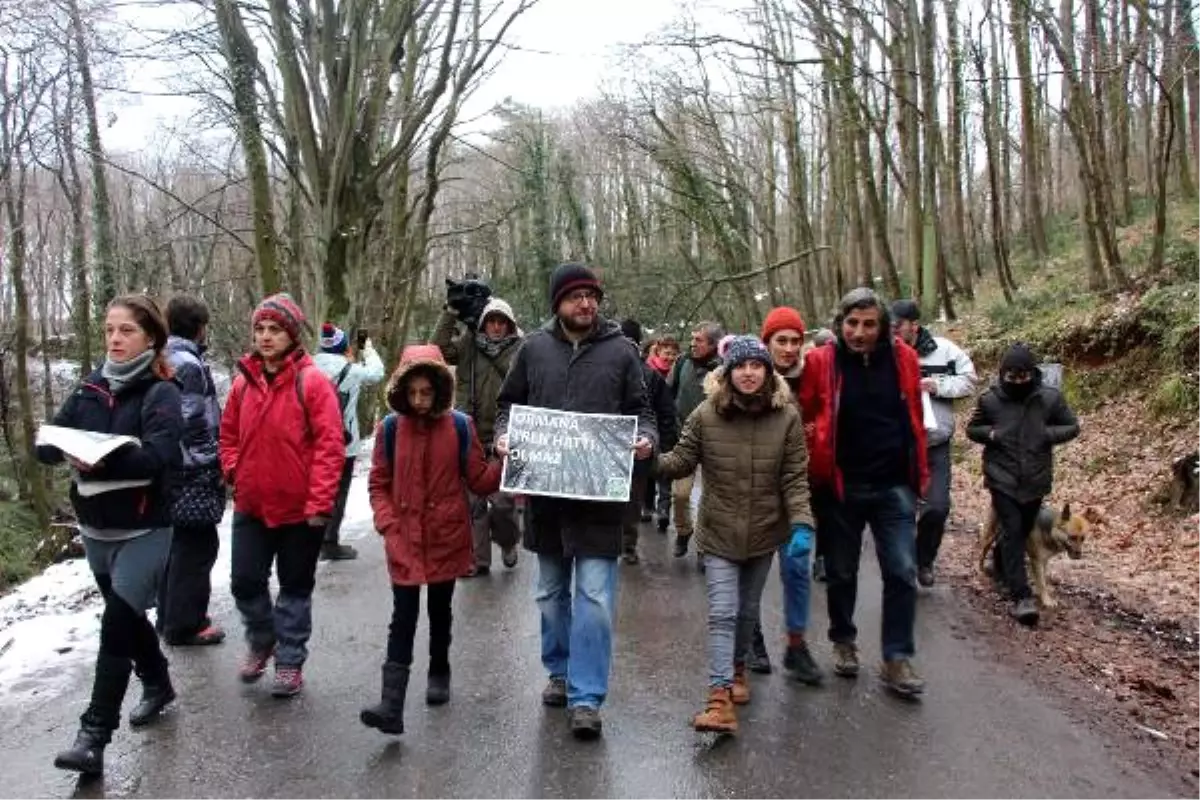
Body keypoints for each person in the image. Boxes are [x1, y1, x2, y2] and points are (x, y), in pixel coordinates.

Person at [494, 262, 657, 740]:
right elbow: (508, 406)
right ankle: (560, 671)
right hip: (546, 500)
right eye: (575, 296)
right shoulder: (533, 350)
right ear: (557, 303)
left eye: (591, 296)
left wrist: (645, 439)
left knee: (594, 598)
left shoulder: (622, 352)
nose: (585, 303)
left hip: (600, 502)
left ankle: (587, 697)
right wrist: (504, 436)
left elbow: (643, 412)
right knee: (548, 594)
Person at [38, 295, 184, 775]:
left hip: (145, 529)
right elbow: (49, 441)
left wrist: (104, 456)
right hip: (96, 530)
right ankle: (158, 681)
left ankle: (93, 737)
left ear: (151, 338)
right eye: (109, 330)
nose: (116, 339)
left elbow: (161, 457)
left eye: (126, 331)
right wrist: (59, 447)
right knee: (127, 621)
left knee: (115, 624)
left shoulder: (161, 392)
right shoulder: (88, 390)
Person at [657, 336, 815, 734]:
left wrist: (802, 523)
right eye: (740, 367)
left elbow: (795, 477)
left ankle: (738, 669)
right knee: (723, 613)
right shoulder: (706, 414)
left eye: (756, 366)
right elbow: (679, 462)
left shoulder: (787, 417)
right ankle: (718, 698)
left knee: (746, 613)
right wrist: (643, 459)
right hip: (719, 531)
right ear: (727, 372)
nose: (748, 373)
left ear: (767, 371)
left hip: (764, 532)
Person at [360, 345, 502, 735]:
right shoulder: (390, 429)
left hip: (446, 535)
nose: (420, 401)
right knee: (402, 617)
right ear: (402, 391)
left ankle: (439, 669)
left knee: (440, 611)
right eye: (413, 393)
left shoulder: (459, 426)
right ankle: (392, 704)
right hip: (404, 536)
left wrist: (505, 459)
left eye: (427, 392)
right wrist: (388, 526)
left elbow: (478, 479)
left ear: (439, 389)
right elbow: (378, 484)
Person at [799, 288, 929, 699]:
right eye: (852, 323)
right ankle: (843, 639)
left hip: (894, 483)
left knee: (902, 570)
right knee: (841, 571)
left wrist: (918, 471)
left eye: (869, 324)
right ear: (840, 323)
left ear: (883, 326)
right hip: (841, 483)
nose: (859, 332)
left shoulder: (904, 359)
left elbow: (912, 414)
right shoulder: (822, 361)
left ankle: (896, 657)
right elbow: (804, 412)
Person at [219, 293, 346, 697]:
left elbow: (330, 447)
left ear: (291, 334)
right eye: (260, 329)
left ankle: (290, 660)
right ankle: (262, 639)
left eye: (274, 329)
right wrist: (235, 471)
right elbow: (227, 437)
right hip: (252, 505)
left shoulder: (312, 383)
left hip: (299, 511)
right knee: (244, 582)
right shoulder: (242, 383)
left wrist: (319, 504)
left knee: (294, 588)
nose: (266, 337)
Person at [966, 343, 1080, 626]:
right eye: (1011, 377)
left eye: (1023, 376)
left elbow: (1072, 426)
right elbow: (973, 428)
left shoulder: (1049, 398)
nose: (1017, 382)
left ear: (1033, 373)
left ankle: (1002, 567)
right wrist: (991, 434)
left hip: (1035, 478)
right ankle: (1022, 596)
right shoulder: (990, 400)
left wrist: (1046, 434)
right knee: (1014, 529)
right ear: (1003, 374)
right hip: (1001, 476)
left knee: (1021, 528)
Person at [755, 306, 823, 685]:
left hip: (798, 490)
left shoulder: (812, 377)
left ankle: (796, 645)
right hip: (755, 493)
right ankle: (750, 637)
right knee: (752, 572)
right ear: (767, 343)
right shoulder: (749, 375)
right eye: (782, 340)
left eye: (796, 340)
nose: (790, 348)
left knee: (797, 568)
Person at [434, 295, 524, 576]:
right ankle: (478, 560)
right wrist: (451, 312)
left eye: (502, 322)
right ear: (483, 323)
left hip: (505, 437)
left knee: (502, 504)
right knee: (473, 504)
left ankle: (508, 542)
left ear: (510, 325)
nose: (496, 327)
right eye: (491, 321)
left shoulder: (522, 350)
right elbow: (438, 347)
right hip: (469, 433)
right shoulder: (469, 344)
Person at [891, 300, 978, 587]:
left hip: (935, 444)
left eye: (897, 326)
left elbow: (969, 380)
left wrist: (937, 385)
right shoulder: (884, 354)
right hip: (898, 446)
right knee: (899, 510)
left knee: (937, 508)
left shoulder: (944, 349)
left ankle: (924, 559)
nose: (892, 331)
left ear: (913, 326)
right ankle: (902, 566)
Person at [158, 295, 226, 647]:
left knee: (179, 544)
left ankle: (169, 616)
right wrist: (211, 459)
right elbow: (192, 418)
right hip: (191, 469)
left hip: (172, 467)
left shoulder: (163, 355)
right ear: (200, 327)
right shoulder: (188, 364)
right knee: (197, 546)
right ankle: (186, 624)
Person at [313, 322, 385, 561]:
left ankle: (310, 539)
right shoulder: (351, 370)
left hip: (312, 441)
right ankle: (329, 542)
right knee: (339, 491)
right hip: (344, 442)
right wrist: (367, 348)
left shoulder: (307, 368)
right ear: (343, 347)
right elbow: (377, 372)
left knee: (315, 487)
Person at [619, 319, 678, 563]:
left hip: (634, 447)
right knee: (630, 500)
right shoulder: (652, 376)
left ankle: (624, 544)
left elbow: (665, 413)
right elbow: (667, 415)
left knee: (628, 498)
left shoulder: (649, 377)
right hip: (636, 447)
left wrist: (660, 447)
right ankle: (626, 545)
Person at [669, 321, 725, 559]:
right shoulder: (681, 363)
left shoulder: (726, 368)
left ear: (713, 344)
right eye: (692, 339)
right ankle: (684, 531)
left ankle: (704, 546)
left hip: (717, 441)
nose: (693, 344)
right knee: (680, 495)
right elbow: (666, 394)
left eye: (698, 340)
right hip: (684, 438)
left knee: (711, 498)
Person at [644, 335, 680, 530]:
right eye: (667, 353)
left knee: (665, 471)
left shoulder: (676, 372)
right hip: (650, 425)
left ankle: (664, 510)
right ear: (658, 351)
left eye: (674, 354)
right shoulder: (648, 371)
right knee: (649, 470)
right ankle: (647, 506)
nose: (670, 357)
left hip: (668, 427)